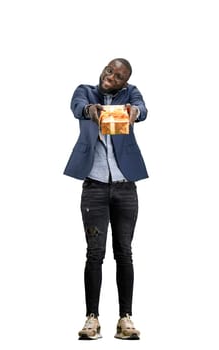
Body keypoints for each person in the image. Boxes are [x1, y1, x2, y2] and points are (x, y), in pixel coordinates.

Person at [64, 58, 148, 340]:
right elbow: (77, 106)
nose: (110, 76)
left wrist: (134, 111)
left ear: (125, 82)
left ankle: (125, 318)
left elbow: (143, 109)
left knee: (124, 252)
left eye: (118, 75)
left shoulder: (131, 94)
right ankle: (92, 318)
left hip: (126, 187)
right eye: (108, 70)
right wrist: (90, 110)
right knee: (94, 254)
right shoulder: (85, 91)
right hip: (94, 187)